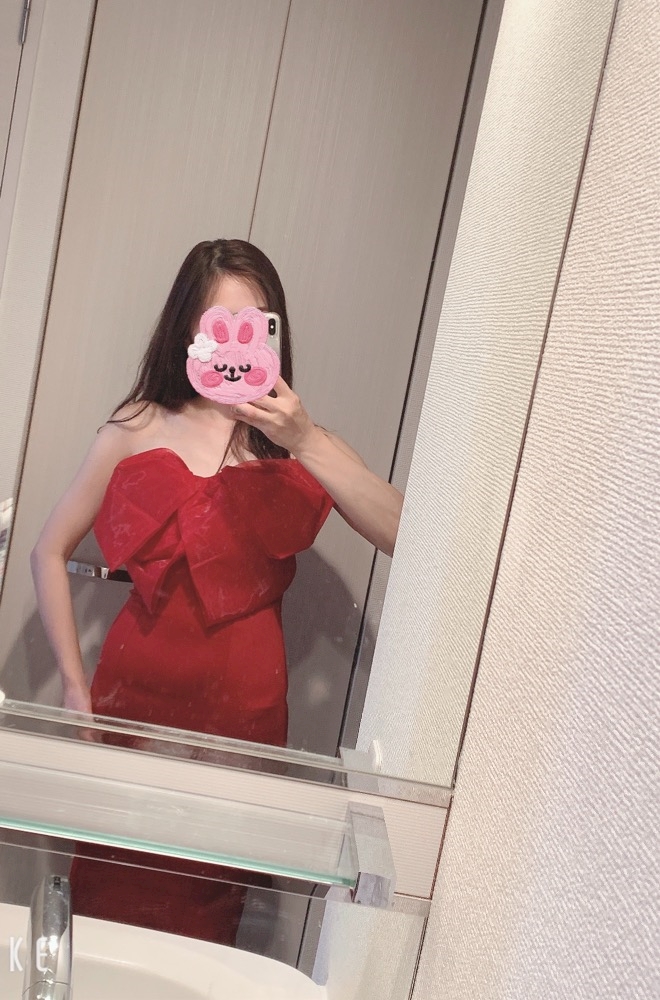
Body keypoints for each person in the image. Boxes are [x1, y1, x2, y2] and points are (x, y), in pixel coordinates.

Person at [30, 238, 403, 943]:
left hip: (244, 729)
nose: (236, 344)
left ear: (274, 335)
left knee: (207, 911)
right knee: (109, 901)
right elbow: (49, 550)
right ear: (187, 332)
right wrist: (75, 689)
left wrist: (304, 439)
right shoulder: (138, 425)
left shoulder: (295, 441)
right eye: (219, 326)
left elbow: (406, 534)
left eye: (254, 325)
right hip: (133, 717)